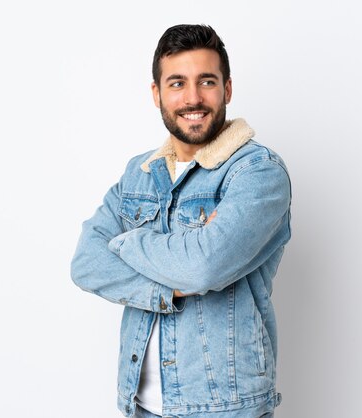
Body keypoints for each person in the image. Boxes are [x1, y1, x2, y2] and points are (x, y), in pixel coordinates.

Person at [71, 24, 291, 418]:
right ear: (156, 94)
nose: (193, 98)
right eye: (177, 83)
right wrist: (170, 288)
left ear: (227, 89)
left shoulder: (258, 174)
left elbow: (202, 267)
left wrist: (125, 242)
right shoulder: (139, 172)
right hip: (139, 404)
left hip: (226, 409)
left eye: (206, 81)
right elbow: (86, 263)